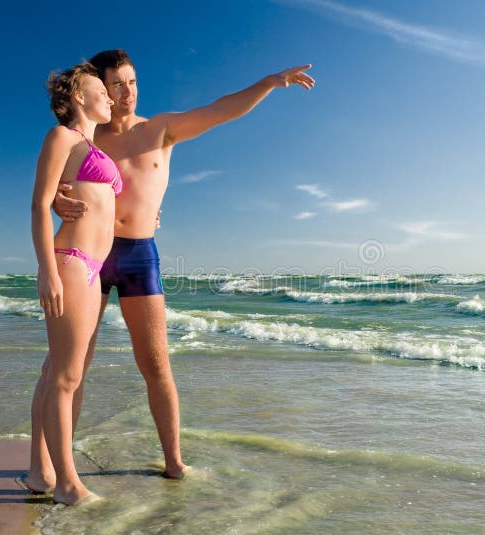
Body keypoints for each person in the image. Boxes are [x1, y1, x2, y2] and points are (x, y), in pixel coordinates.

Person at [33, 49, 314, 482]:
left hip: (139, 254)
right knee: (70, 367)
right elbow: (53, 183)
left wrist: (269, 82)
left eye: (132, 81)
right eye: (117, 84)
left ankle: (174, 461)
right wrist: (55, 199)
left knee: (156, 363)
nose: (126, 92)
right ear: (100, 89)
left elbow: (220, 111)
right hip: (91, 252)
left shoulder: (159, 129)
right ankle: (49, 464)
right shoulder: (86, 134)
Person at [29, 62, 121, 505]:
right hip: (69, 263)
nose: (109, 96)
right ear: (79, 98)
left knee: (54, 374)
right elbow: (38, 206)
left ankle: (39, 473)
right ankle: (68, 483)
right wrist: (47, 270)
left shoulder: (89, 143)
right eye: (100, 90)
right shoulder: (61, 137)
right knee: (67, 377)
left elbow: (94, 201)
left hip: (91, 267)